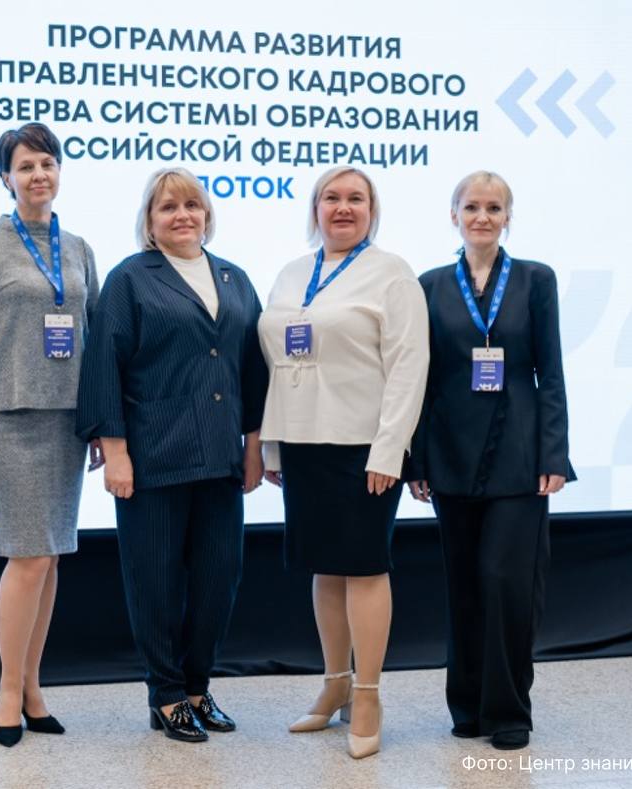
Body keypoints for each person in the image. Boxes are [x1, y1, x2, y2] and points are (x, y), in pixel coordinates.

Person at [75, 167, 268, 743]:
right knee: (155, 582)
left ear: (207, 215)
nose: (182, 215)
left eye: (192, 205)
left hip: (221, 458)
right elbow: (103, 365)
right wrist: (115, 452)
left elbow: (253, 370)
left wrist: (255, 445)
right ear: (150, 222)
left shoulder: (234, 278)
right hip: (153, 458)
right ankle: (165, 695)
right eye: (168, 207)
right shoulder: (131, 279)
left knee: (218, 579)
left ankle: (197, 687)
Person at [257, 166, 429, 759]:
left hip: (363, 447)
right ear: (315, 209)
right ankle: (334, 685)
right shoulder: (291, 273)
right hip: (302, 442)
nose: (343, 207)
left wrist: (391, 448)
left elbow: (409, 366)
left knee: (363, 567)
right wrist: (273, 444)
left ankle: (368, 696)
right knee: (324, 568)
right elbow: (278, 361)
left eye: (356, 198)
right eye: (331, 197)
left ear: (372, 211)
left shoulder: (392, 274)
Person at [405, 170, 574, 751]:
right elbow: (422, 379)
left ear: (507, 217)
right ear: (453, 214)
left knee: (507, 582)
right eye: (472, 206)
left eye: (494, 208)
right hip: (450, 453)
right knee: (464, 585)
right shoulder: (429, 285)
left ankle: (508, 711)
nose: (482, 217)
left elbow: (551, 372)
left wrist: (555, 452)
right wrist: (417, 460)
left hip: (520, 455)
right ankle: (469, 705)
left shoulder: (535, 279)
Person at [0, 122, 102, 748]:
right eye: (25, 166)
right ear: (5, 178)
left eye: (47, 163)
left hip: (67, 421)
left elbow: (95, 344)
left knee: (50, 556)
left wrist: (100, 423)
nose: (39, 174)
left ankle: (33, 686)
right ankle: (8, 691)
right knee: (28, 554)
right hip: (9, 420)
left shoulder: (80, 248)